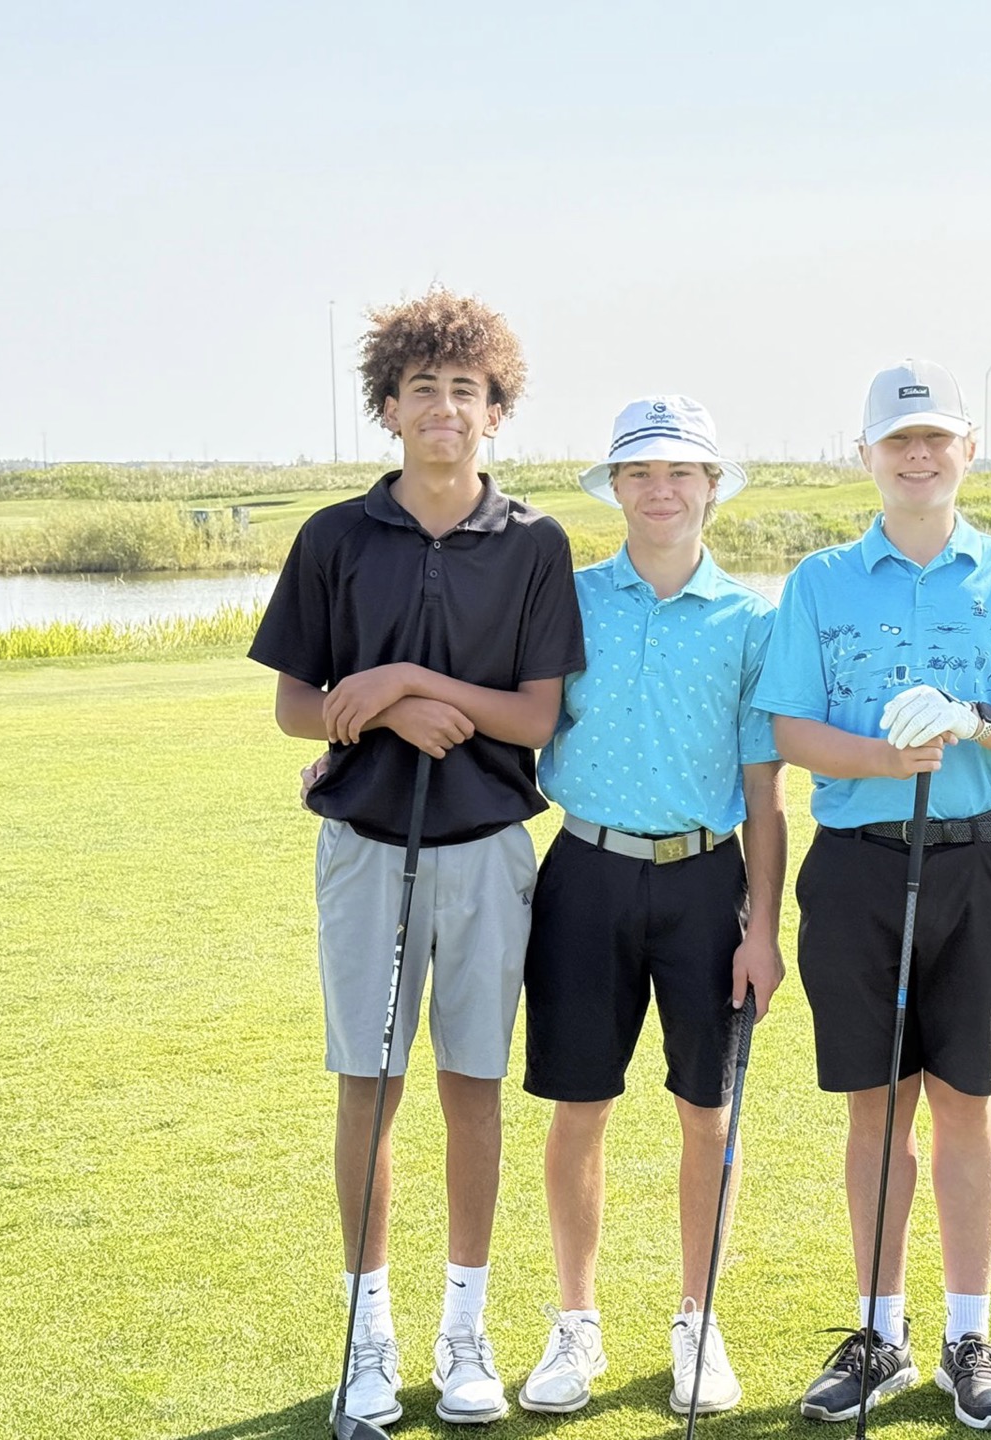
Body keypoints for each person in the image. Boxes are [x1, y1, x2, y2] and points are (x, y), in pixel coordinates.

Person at [249, 289, 584, 1429]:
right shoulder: (334, 537)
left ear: (496, 413)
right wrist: (386, 713)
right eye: (422, 389)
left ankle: (465, 1331)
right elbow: (298, 708)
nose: (445, 407)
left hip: (488, 850)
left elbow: (534, 718)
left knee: (473, 1088)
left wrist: (405, 681)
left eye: (466, 391)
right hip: (363, 847)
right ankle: (369, 1337)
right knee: (371, 1088)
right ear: (387, 408)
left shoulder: (535, 542)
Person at [753, 359, 991, 1431]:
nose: (918, 455)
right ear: (867, 454)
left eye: (937, 437)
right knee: (878, 1106)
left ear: (967, 450)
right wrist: (881, 756)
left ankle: (966, 1338)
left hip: (982, 862)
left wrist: (974, 719)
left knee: (966, 1105)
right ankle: (879, 1334)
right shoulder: (819, 582)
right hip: (858, 864)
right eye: (899, 440)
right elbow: (790, 729)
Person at [513, 395, 788, 1418]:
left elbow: (765, 790)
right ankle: (575, 1323)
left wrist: (765, 930)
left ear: (712, 486)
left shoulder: (752, 621)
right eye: (640, 472)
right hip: (583, 874)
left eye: (680, 471)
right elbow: (509, 724)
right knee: (578, 1107)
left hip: (706, 884)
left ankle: (697, 1320)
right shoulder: (569, 599)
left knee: (707, 1112)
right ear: (617, 487)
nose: (660, 489)